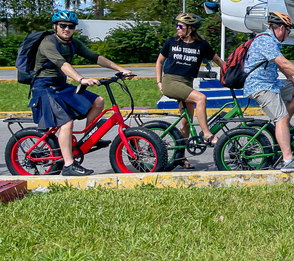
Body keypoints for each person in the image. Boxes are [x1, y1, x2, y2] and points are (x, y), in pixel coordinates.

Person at [29, 10, 135, 176]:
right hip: (44, 88)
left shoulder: (73, 43)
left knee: (98, 101)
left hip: (60, 86)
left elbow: (96, 57)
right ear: (55, 26)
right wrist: (81, 79)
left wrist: (122, 70)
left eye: (70, 26)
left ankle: (89, 140)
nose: (66, 29)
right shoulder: (47, 42)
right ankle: (68, 165)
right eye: (62, 25)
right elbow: (62, 64)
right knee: (66, 123)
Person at [242, 11, 294, 173]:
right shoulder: (265, 40)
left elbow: (277, 64)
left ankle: (283, 126)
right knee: (281, 117)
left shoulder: (271, 41)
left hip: (271, 83)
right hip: (260, 86)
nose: (288, 34)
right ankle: (288, 161)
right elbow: (283, 62)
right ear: (280, 28)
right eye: (288, 30)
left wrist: (290, 78)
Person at [155, 13, 225, 169]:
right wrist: (159, 81)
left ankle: (180, 158)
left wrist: (231, 71)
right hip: (171, 81)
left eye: (180, 26)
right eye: (177, 25)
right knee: (201, 98)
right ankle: (207, 134)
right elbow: (159, 62)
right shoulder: (171, 42)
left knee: (186, 123)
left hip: (186, 84)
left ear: (191, 28)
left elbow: (218, 61)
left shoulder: (201, 45)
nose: (177, 28)